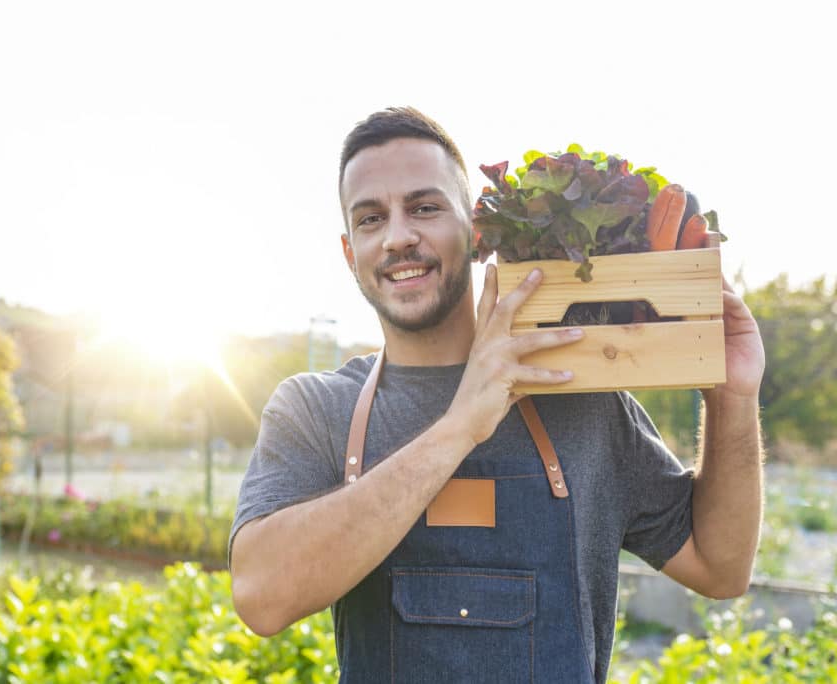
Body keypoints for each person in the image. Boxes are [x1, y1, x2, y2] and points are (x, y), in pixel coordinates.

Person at [229, 106, 765, 683]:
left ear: (477, 231)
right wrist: (461, 425)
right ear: (348, 251)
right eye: (370, 218)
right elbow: (262, 596)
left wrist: (732, 398)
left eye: (425, 208)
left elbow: (722, 566)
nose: (398, 237)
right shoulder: (315, 409)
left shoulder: (580, 397)